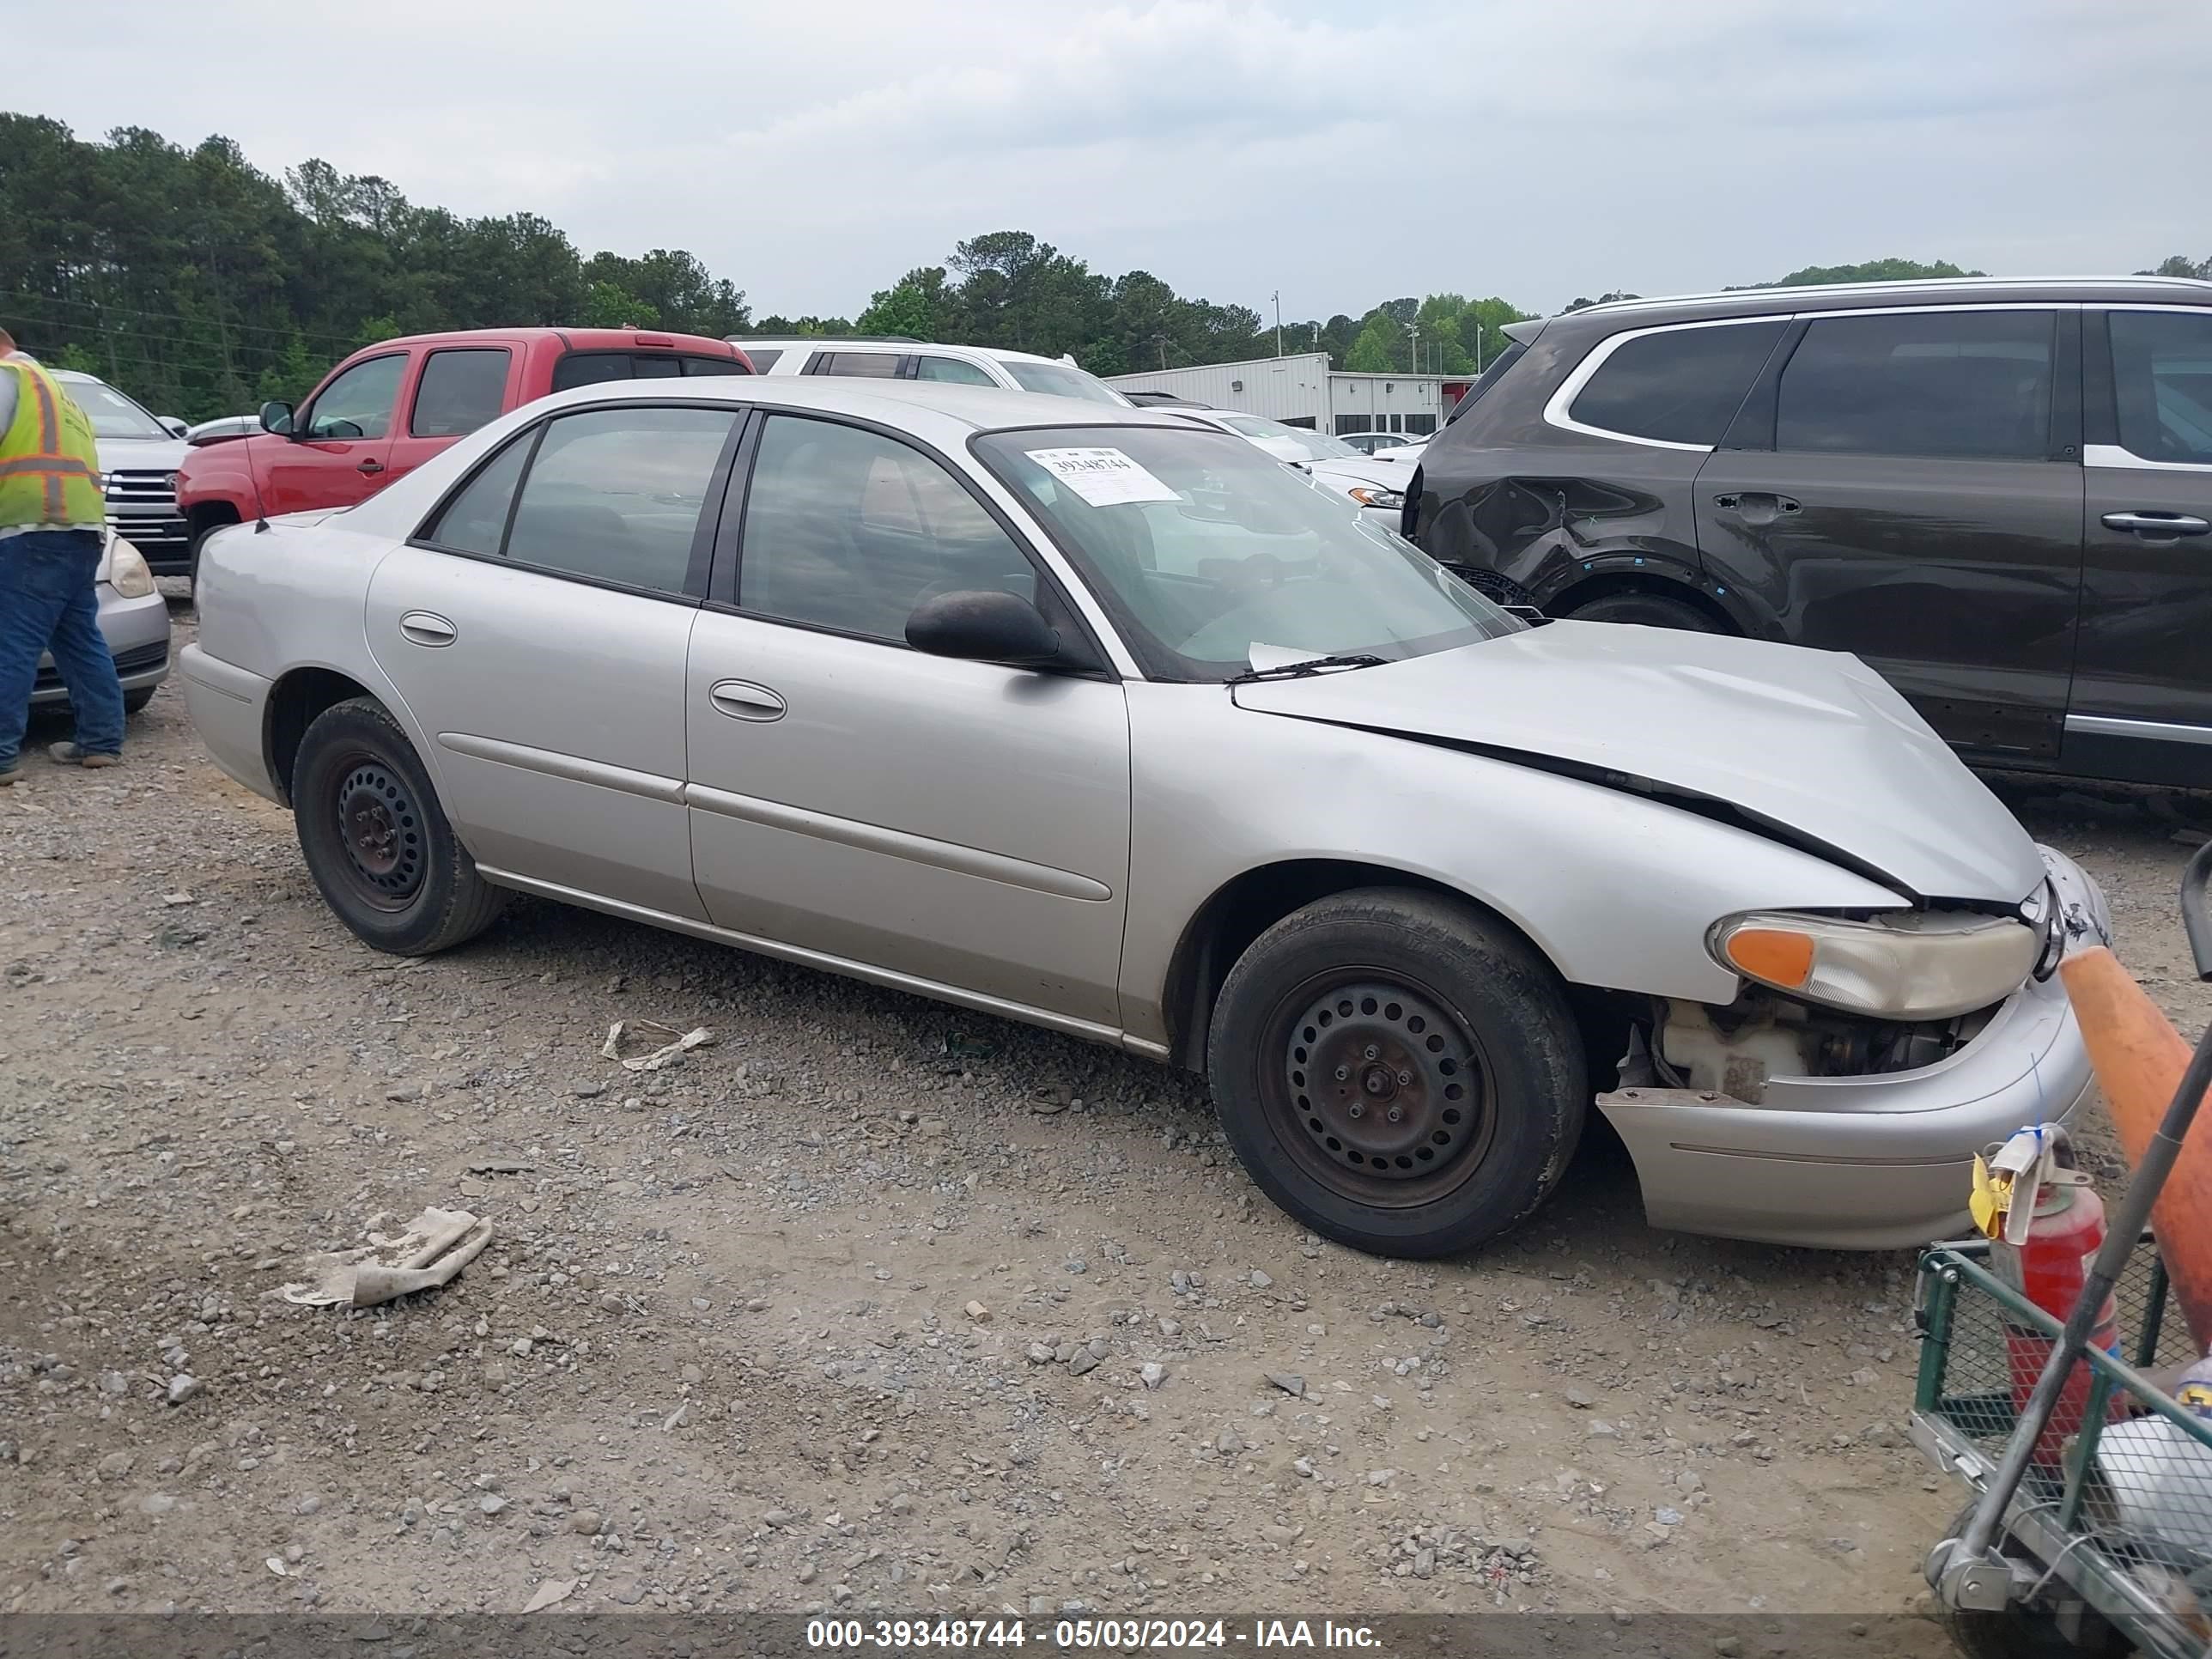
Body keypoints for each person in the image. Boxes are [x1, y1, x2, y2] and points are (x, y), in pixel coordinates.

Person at [0, 328, 125, 785]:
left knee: (11, 641)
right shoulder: (60, 395)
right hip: (82, 530)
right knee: (78, 639)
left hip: (32, 528)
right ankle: (101, 742)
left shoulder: (6, 377)